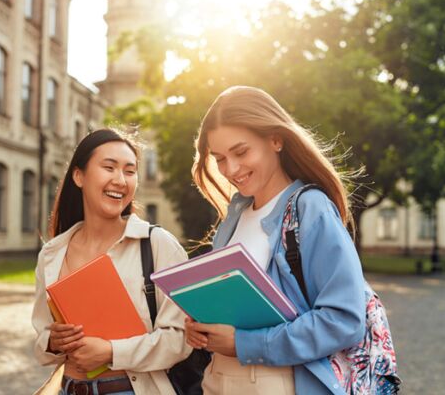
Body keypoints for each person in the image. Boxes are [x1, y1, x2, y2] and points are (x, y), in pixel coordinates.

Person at [184, 86, 367, 394]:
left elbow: (344, 320)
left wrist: (244, 343)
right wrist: (201, 327)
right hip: (218, 379)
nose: (231, 169)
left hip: (277, 383)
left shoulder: (310, 208)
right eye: (219, 158)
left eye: (241, 152)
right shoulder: (235, 215)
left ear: (276, 139)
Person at [32, 129, 192, 395]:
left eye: (130, 171)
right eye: (109, 167)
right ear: (79, 176)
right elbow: (41, 341)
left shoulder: (156, 244)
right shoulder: (51, 254)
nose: (120, 180)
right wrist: (53, 342)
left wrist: (111, 352)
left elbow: (182, 338)